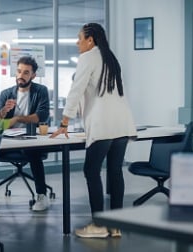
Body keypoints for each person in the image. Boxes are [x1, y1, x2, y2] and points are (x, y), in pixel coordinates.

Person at [51, 23, 137, 238]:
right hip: (122, 123)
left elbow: (76, 90)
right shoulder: (110, 57)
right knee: (115, 171)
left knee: (91, 171)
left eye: (79, 38)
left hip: (104, 125)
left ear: (90, 40)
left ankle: (98, 225)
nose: (77, 42)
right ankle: (115, 225)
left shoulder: (88, 57)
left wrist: (64, 123)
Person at [0, 56, 51, 211]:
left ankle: (42, 195)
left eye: (26, 72)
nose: (21, 75)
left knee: (33, 151)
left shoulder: (40, 91)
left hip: (31, 139)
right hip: (9, 141)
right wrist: (4, 110)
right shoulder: (6, 94)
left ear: (33, 75)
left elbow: (42, 115)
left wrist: (18, 118)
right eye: (19, 71)